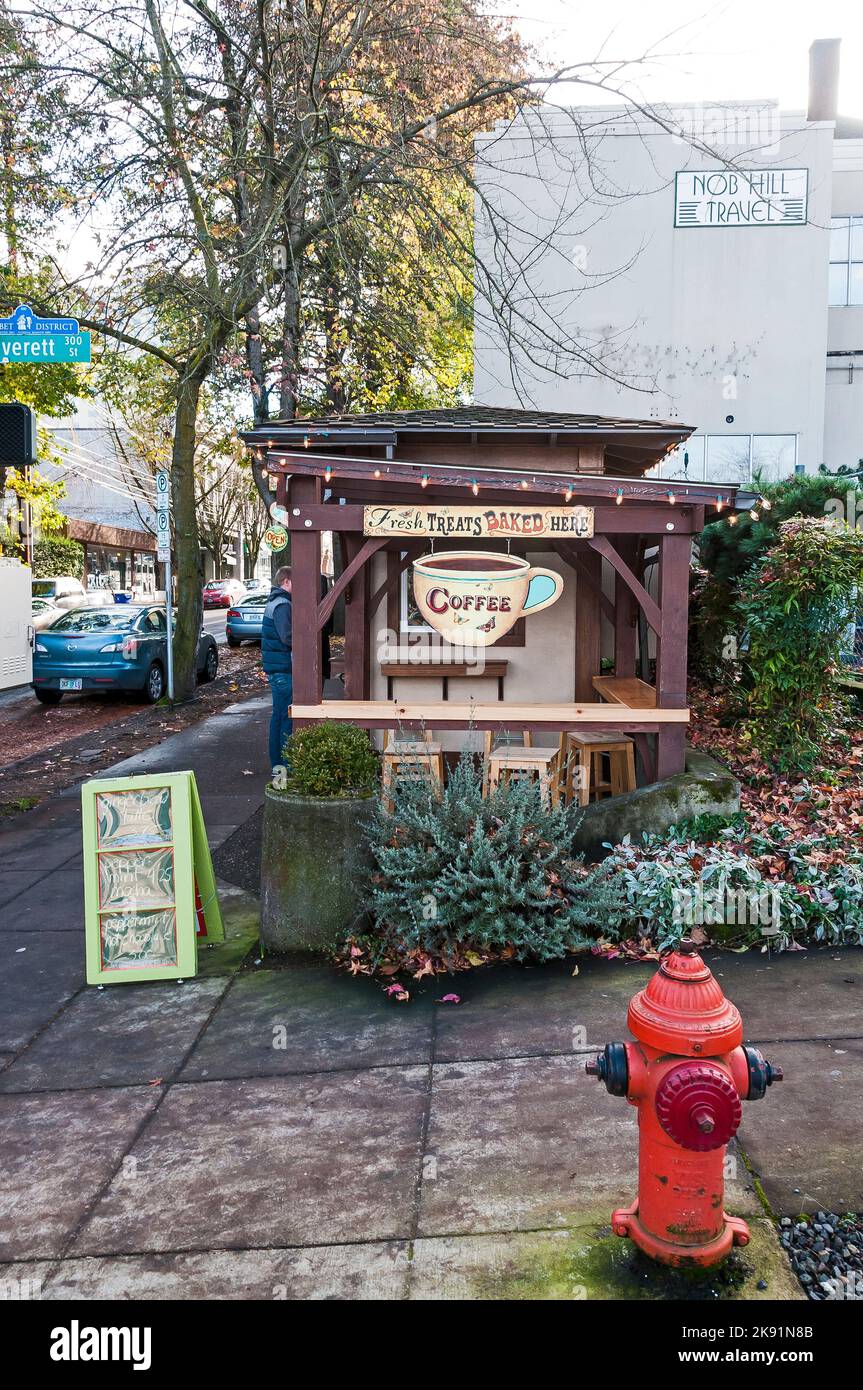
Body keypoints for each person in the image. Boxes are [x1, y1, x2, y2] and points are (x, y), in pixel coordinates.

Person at [261, 565, 293, 772]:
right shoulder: (283, 605)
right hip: (282, 669)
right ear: (287, 581)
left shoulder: (275, 602)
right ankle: (283, 765)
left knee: (279, 716)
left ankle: (278, 763)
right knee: (285, 718)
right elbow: (287, 637)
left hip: (276, 668)